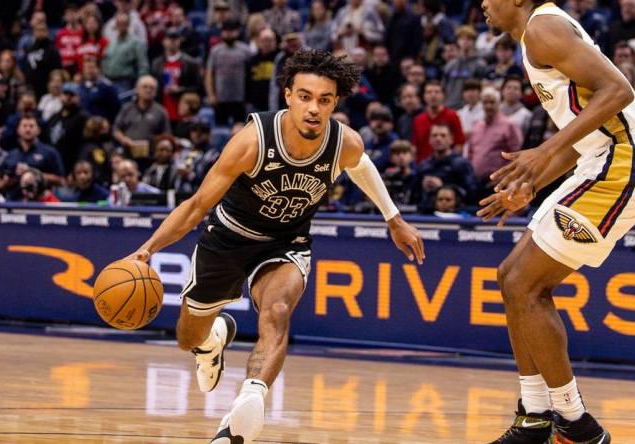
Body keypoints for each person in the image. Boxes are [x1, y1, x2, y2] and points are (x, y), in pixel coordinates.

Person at [124, 49, 424, 443]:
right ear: (287, 95)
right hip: (229, 237)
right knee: (186, 337)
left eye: (324, 100)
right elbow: (197, 206)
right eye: (305, 96)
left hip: (285, 243)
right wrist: (147, 249)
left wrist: (394, 218)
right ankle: (212, 339)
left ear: (335, 103)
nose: (314, 108)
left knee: (277, 312)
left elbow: (361, 166)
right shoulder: (252, 141)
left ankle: (241, 419)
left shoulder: (343, 142)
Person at [478, 0, 635, 442]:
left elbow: (619, 92)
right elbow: (586, 130)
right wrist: (532, 179)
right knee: (511, 278)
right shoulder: (538, 36)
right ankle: (534, 418)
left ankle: (576, 425)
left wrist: (543, 152)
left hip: (627, 157)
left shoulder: (543, 28)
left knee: (525, 283)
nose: (484, 4)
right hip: (605, 155)